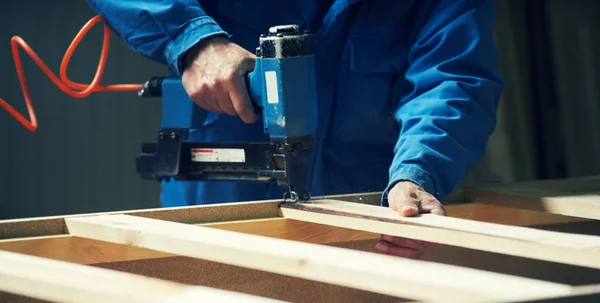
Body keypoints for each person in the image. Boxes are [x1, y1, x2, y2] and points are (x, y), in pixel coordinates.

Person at [86, 0, 504, 258]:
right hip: (217, 209)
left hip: (364, 217)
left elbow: (453, 80)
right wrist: (194, 39)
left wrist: (418, 171)